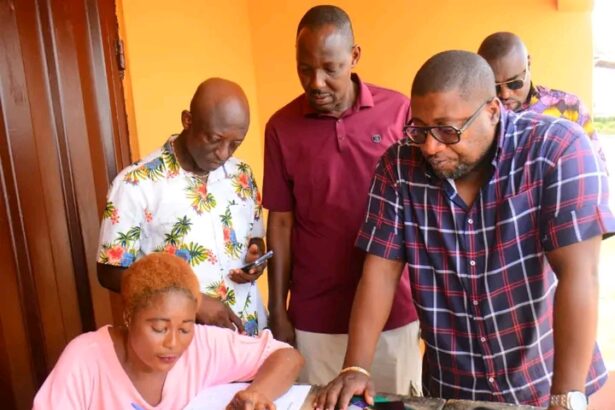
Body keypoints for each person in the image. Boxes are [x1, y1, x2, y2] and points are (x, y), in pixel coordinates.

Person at [315, 50, 614, 410]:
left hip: (543, 381)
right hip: (452, 390)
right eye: (420, 128)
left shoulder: (556, 150)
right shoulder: (399, 168)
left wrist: (565, 398)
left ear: (492, 111)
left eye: (447, 130)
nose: (430, 146)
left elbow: (579, 274)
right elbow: (380, 272)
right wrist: (356, 366)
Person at [262, 5, 420, 394]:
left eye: (330, 69)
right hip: (315, 316)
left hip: (393, 312)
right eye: (304, 69)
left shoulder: (398, 112)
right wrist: (278, 309)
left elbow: (421, 211)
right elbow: (280, 222)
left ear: (355, 56)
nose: (316, 82)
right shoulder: (281, 127)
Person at [97, 78, 267, 335]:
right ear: (188, 120)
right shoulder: (136, 184)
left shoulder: (241, 174)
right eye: (214, 139)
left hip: (249, 333)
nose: (223, 153)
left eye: (235, 144)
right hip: (180, 342)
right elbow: (109, 272)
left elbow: (254, 236)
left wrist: (256, 256)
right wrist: (192, 299)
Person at [33, 252, 303, 409]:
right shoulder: (86, 358)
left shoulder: (201, 346)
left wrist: (257, 394)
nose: (173, 343)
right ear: (128, 316)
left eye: (185, 328)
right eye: (159, 328)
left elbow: (286, 356)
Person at [477, 31, 605, 163]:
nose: (505, 94)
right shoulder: (476, 115)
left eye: (514, 83)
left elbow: (597, 166)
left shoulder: (569, 108)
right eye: (495, 86)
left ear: (528, 64)